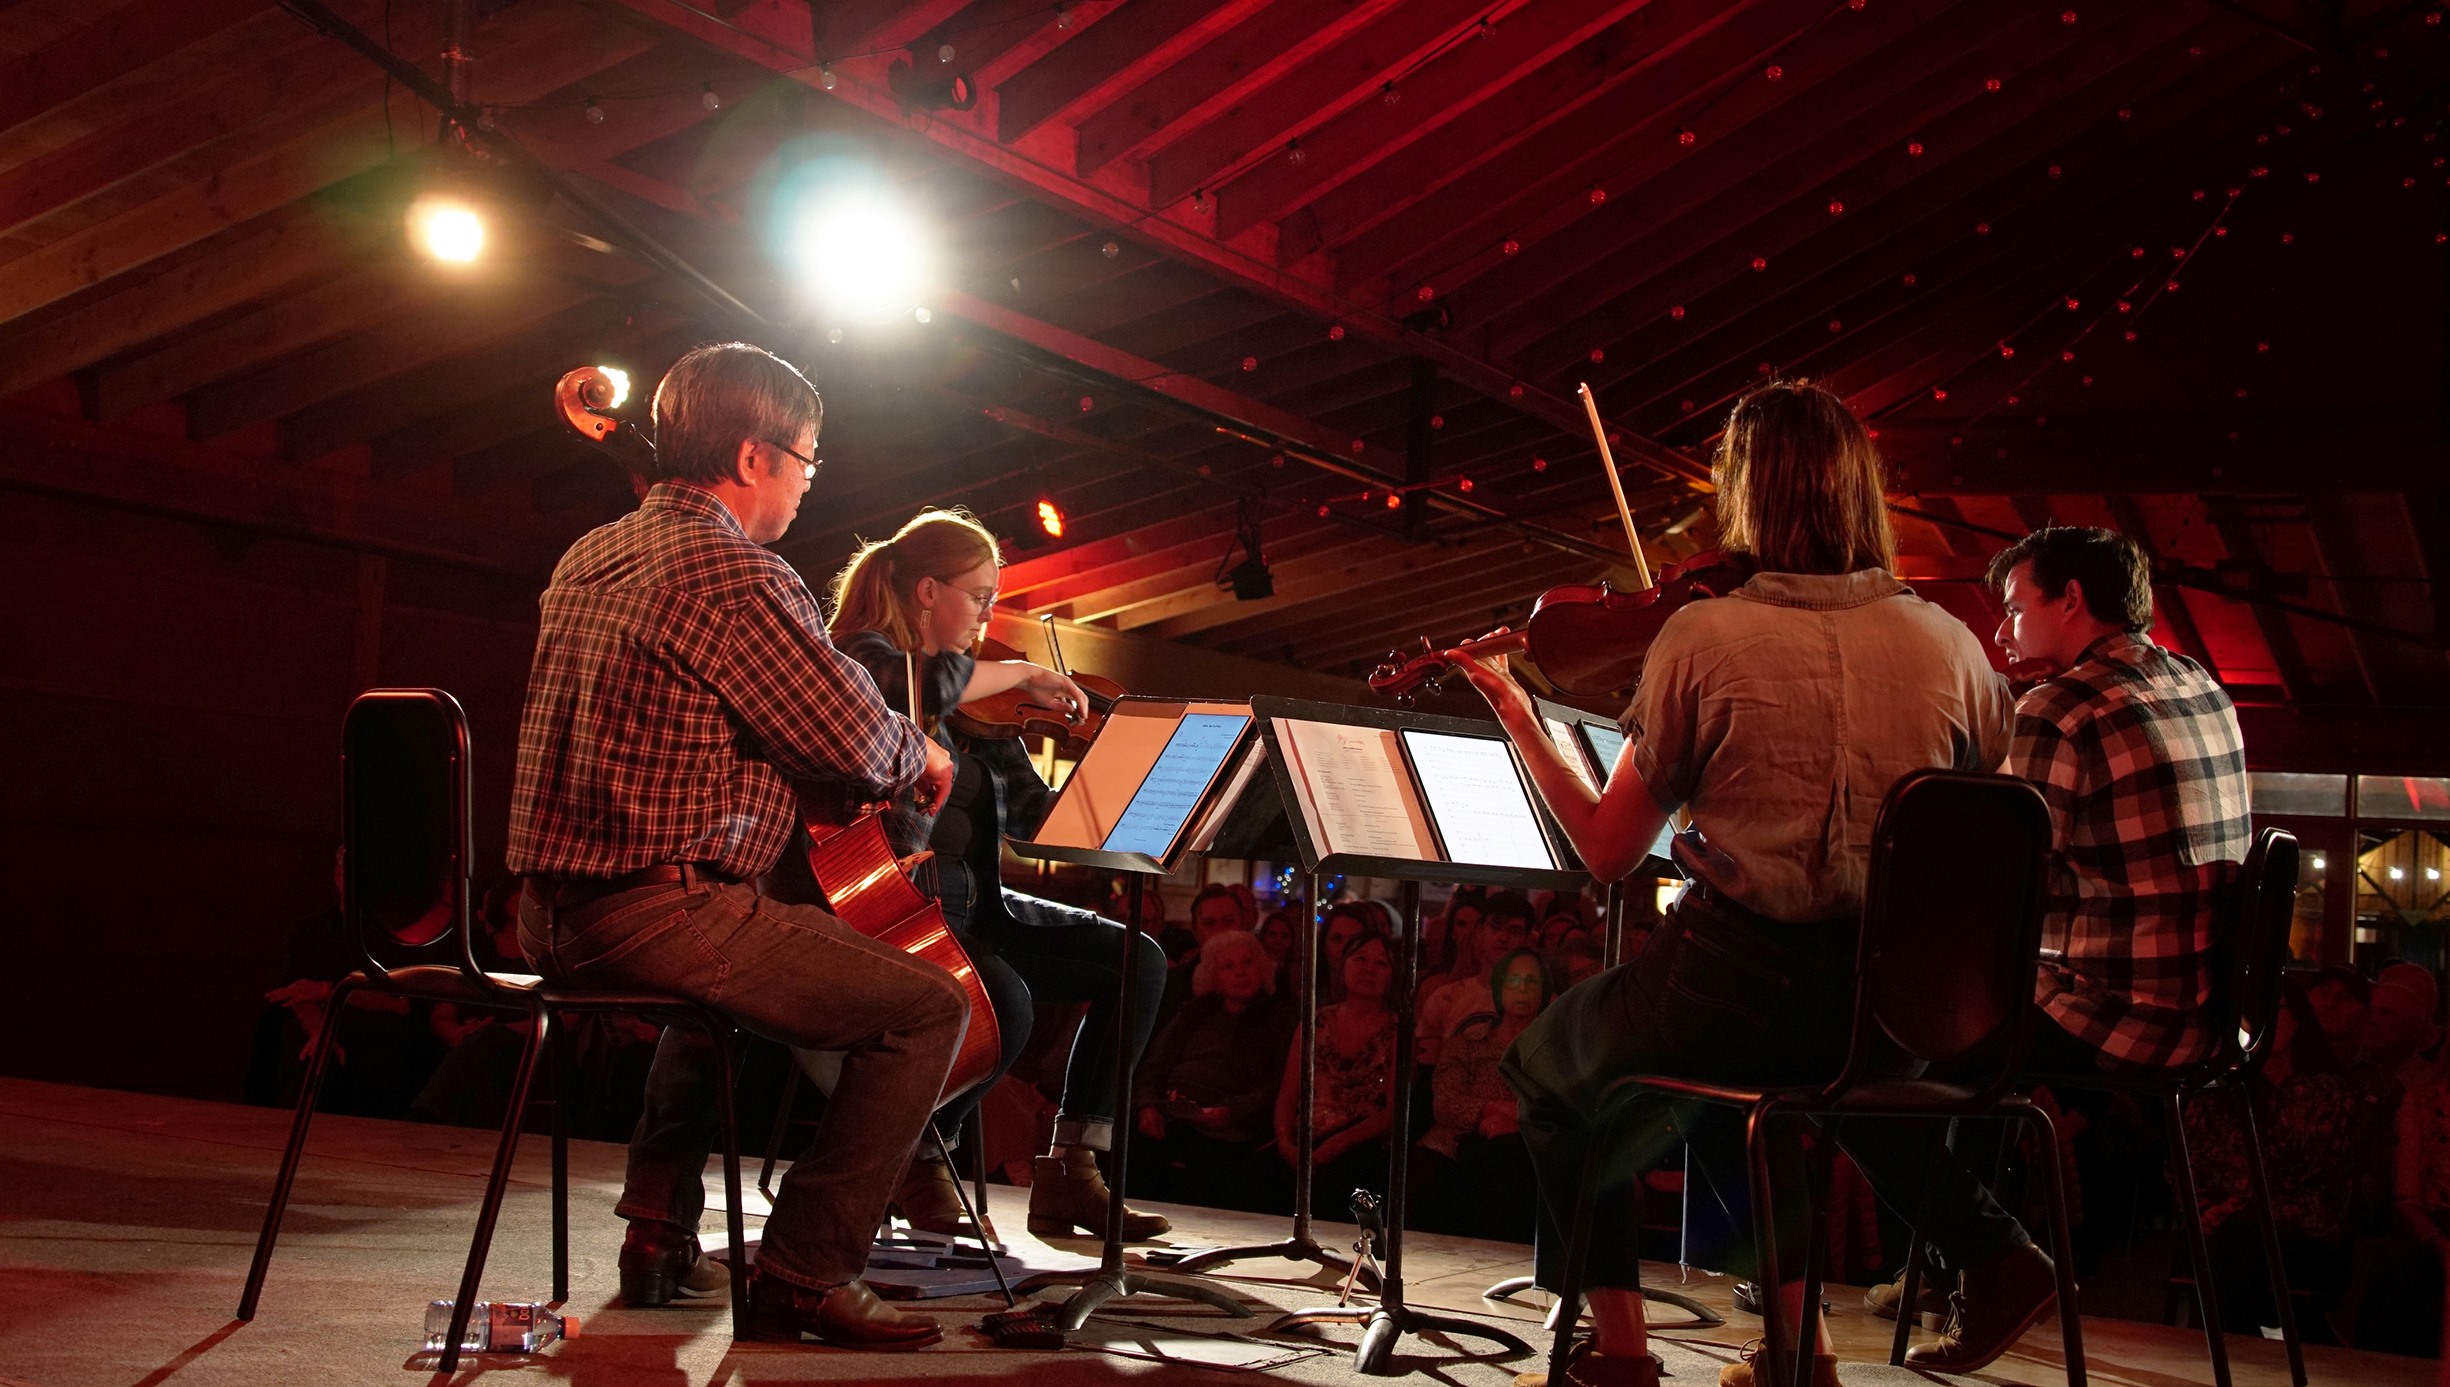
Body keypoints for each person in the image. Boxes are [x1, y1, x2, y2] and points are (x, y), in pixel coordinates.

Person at [1446, 381, 2015, 1387]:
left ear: (1745, 493)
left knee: (1548, 1071)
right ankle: (1804, 1346)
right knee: (1730, 1099)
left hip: (1734, 984)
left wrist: (1520, 719)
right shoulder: (1953, 647)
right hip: (1890, 1013)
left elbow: (1609, 851)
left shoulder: (1704, 639)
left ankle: (1619, 1353)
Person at [507, 341, 968, 1351]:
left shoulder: (592, 551)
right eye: (807, 459)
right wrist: (919, 750)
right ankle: (805, 1271)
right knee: (925, 1009)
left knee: (748, 967)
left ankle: (656, 1225)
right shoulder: (733, 573)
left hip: (547, 912)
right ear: (754, 457)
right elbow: (852, 738)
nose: (808, 482)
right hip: (654, 910)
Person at [1834, 524, 2253, 1372]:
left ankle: (1994, 1264)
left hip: (2117, 1014)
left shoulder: (2061, 708)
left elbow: (1996, 887)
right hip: (2207, 1011)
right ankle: (1958, 1266)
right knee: (1977, 1034)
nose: (2003, 632)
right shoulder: (2200, 682)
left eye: (2016, 607)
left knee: (1858, 1073)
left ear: (2072, 600)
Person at [824, 506, 1171, 1244]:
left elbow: (1033, 821)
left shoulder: (985, 707)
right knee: (1003, 999)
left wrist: (1126, 784)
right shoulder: (865, 658)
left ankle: (1073, 1165)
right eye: (979, 595)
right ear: (926, 591)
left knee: (1135, 959)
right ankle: (919, 1151)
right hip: (895, 910)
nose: (989, 613)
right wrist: (1018, 673)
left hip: (979, 908)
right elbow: (889, 684)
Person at [1130, 928, 1293, 1211]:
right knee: (1128, 1147)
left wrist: (1232, 1112)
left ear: (1263, 967)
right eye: (1229, 966)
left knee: (1206, 1163)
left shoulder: (1281, 1019)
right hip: (1173, 1110)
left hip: (1231, 1123)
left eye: (1247, 963)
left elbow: (1278, 1087)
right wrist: (1146, 1106)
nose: (1240, 972)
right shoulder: (1193, 1012)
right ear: (1213, 977)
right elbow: (1153, 1066)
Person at [1413, 948, 1550, 1242]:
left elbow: (1557, 1106)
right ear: (1499, 988)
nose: (1522, 988)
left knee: (1509, 1185)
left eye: (1531, 981)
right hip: (1455, 1139)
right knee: (1425, 1178)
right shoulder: (1468, 1042)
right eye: (1513, 980)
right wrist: (1490, 1110)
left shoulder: (1553, 1051)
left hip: (1521, 1146)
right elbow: (1445, 1101)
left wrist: (1515, 1120)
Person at [1263, 930, 1398, 1215]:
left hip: (1362, 1142)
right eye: (1360, 959)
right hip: (1307, 1135)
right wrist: (1286, 1143)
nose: (1369, 969)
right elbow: (1287, 1098)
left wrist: (1340, 1142)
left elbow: (1393, 1111)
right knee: (1255, 1178)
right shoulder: (1316, 1021)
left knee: (1340, 1185)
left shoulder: (1397, 1030)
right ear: (1344, 965)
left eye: (1381, 963)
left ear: (1392, 976)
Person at [1416, 891, 1532, 1064]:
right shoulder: (1445, 999)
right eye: (1496, 927)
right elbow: (1427, 1068)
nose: (1503, 938)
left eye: (1514, 931)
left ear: (1527, 939)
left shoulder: (1542, 1001)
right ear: (1480, 931)